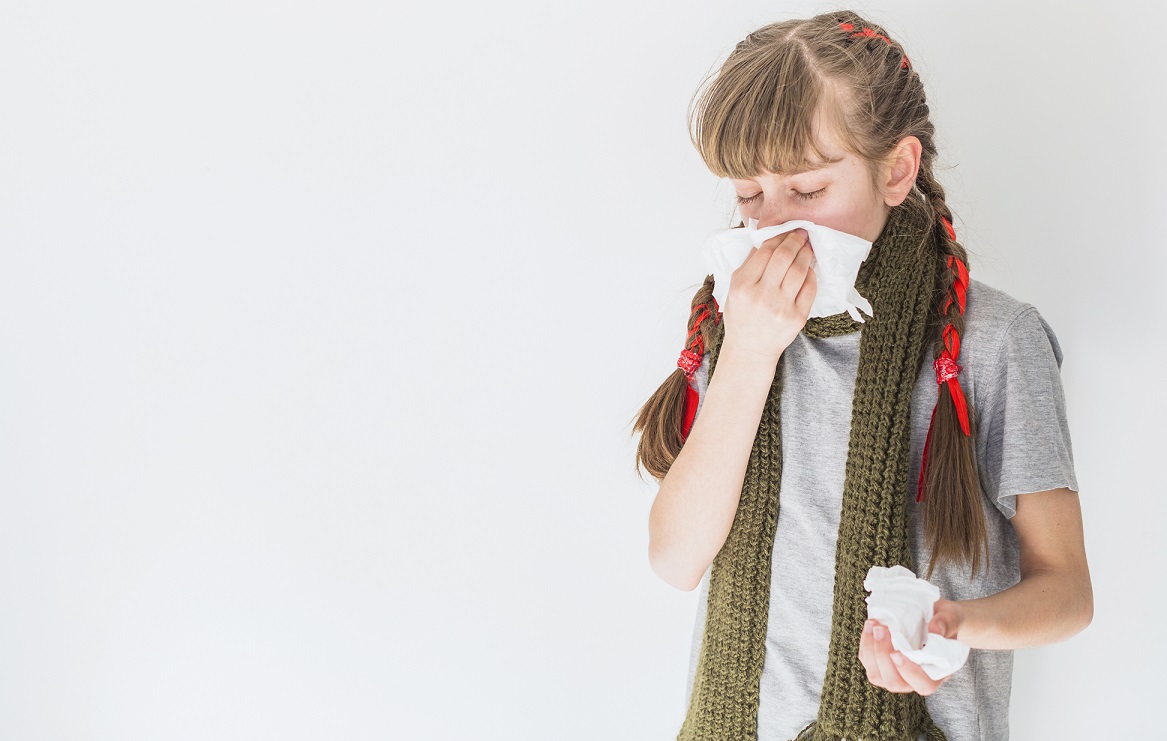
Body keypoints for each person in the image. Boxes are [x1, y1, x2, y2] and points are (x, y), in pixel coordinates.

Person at [631, 10, 1092, 741]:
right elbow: (675, 559)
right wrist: (748, 352)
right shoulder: (736, 323)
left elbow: (1066, 591)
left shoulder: (992, 342)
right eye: (748, 196)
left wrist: (956, 623)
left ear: (896, 170)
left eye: (808, 191)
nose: (773, 226)